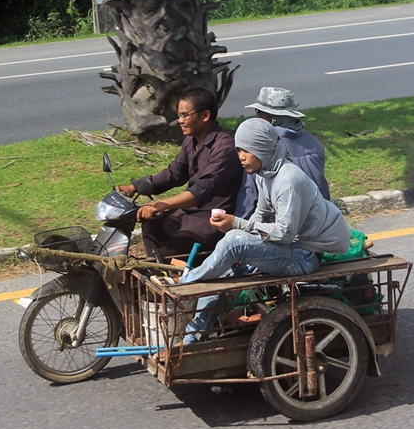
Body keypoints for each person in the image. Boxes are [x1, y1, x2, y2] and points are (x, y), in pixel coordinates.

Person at [177, 118, 351, 345]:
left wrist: (239, 226)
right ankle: (193, 337)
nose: (240, 156)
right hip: (289, 246)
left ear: (263, 148)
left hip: (305, 254)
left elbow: (284, 233)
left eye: (246, 150)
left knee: (233, 243)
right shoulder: (264, 173)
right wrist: (245, 239)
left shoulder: (288, 180)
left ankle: (186, 282)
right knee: (227, 264)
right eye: (239, 150)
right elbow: (261, 215)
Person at [117, 87, 243, 260]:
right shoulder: (191, 141)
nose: (180, 121)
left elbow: (203, 190)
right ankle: (160, 269)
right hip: (188, 214)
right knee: (151, 223)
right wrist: (134, 187)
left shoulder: (224, 148)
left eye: (185, 115)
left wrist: (163, 204)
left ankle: (162, 271)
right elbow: (174, 173)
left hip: (210, 221)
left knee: (160, 258)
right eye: (179, 115)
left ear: (205, 116)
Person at [235, 87, 331, 220]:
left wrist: (236, 228)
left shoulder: (262, 147)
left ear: (270, 118)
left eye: (259, 112)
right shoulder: (315, 144)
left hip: (282, 226)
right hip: (318, 221)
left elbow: (249, 198)